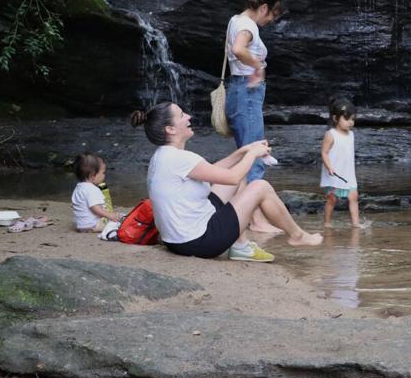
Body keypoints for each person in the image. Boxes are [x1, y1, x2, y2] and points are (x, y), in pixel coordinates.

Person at [131, 102, 322, 262]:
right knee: (260, 187)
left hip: (177, 239)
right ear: (170, 129)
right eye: (182, 115)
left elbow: (215, 172)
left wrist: (243, 152)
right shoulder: (180, 159)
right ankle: (297, 236)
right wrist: (254, 154)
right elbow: (232, 177)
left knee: (238, 182)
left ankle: (240, 247)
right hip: (198, 241)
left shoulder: (163, 156)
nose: (188, 116)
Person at [226, 0, 283, 233]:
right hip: (246, 94)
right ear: (264, 8)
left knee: (249, 155)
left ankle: (249, 216)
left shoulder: (235, 20)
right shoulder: (248, 25)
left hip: (240, 93)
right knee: (255, 156)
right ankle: (256, 219)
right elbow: (239, 49)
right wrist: (258, 66)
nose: (272, 20)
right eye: (273, 15)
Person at [320, 98, 362, 228]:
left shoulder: (351, 135)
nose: (350, 122)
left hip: (348, 173)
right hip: (334, 173)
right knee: (332, 199)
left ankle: (355, 223)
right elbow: (324, 153)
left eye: (352, 119)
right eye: (347, 119)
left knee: (353, 197)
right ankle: (327, 223)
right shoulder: (331, 134)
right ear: (335, 118)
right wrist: (329, 167)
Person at [71, 152, 119, 233]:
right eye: (103, 173)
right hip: (93, 225)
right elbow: (95, 208)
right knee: (117, 223)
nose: (104, 175)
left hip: (81, 225)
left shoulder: (78, 188)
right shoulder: (92, 189)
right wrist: (109, 215)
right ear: (92, 175)